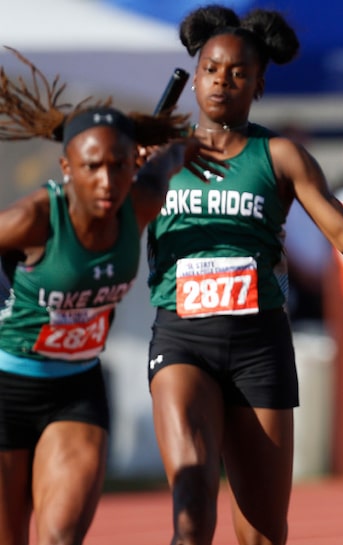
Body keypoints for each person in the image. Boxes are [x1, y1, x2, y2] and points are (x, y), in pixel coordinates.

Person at [144, 6, 343, 545]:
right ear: (194, 77)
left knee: (263, 532)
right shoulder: (156, 154)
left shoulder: (281, 154)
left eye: (238, 71)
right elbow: (103, 229)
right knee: (192, 504)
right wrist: (138, 172)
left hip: (258, 346)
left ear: (260, 83)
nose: (223, 80)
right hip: (182, 340)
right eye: (212, 68)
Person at [0, 48, 213, 545]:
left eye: (119, 166)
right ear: (67, 166)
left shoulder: (138, 201)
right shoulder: (32, 218)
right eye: (93, 167)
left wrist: (179, 144)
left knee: (61, 536)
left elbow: (171, 157)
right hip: (6, 387)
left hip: (77, 390)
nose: (107, 181)